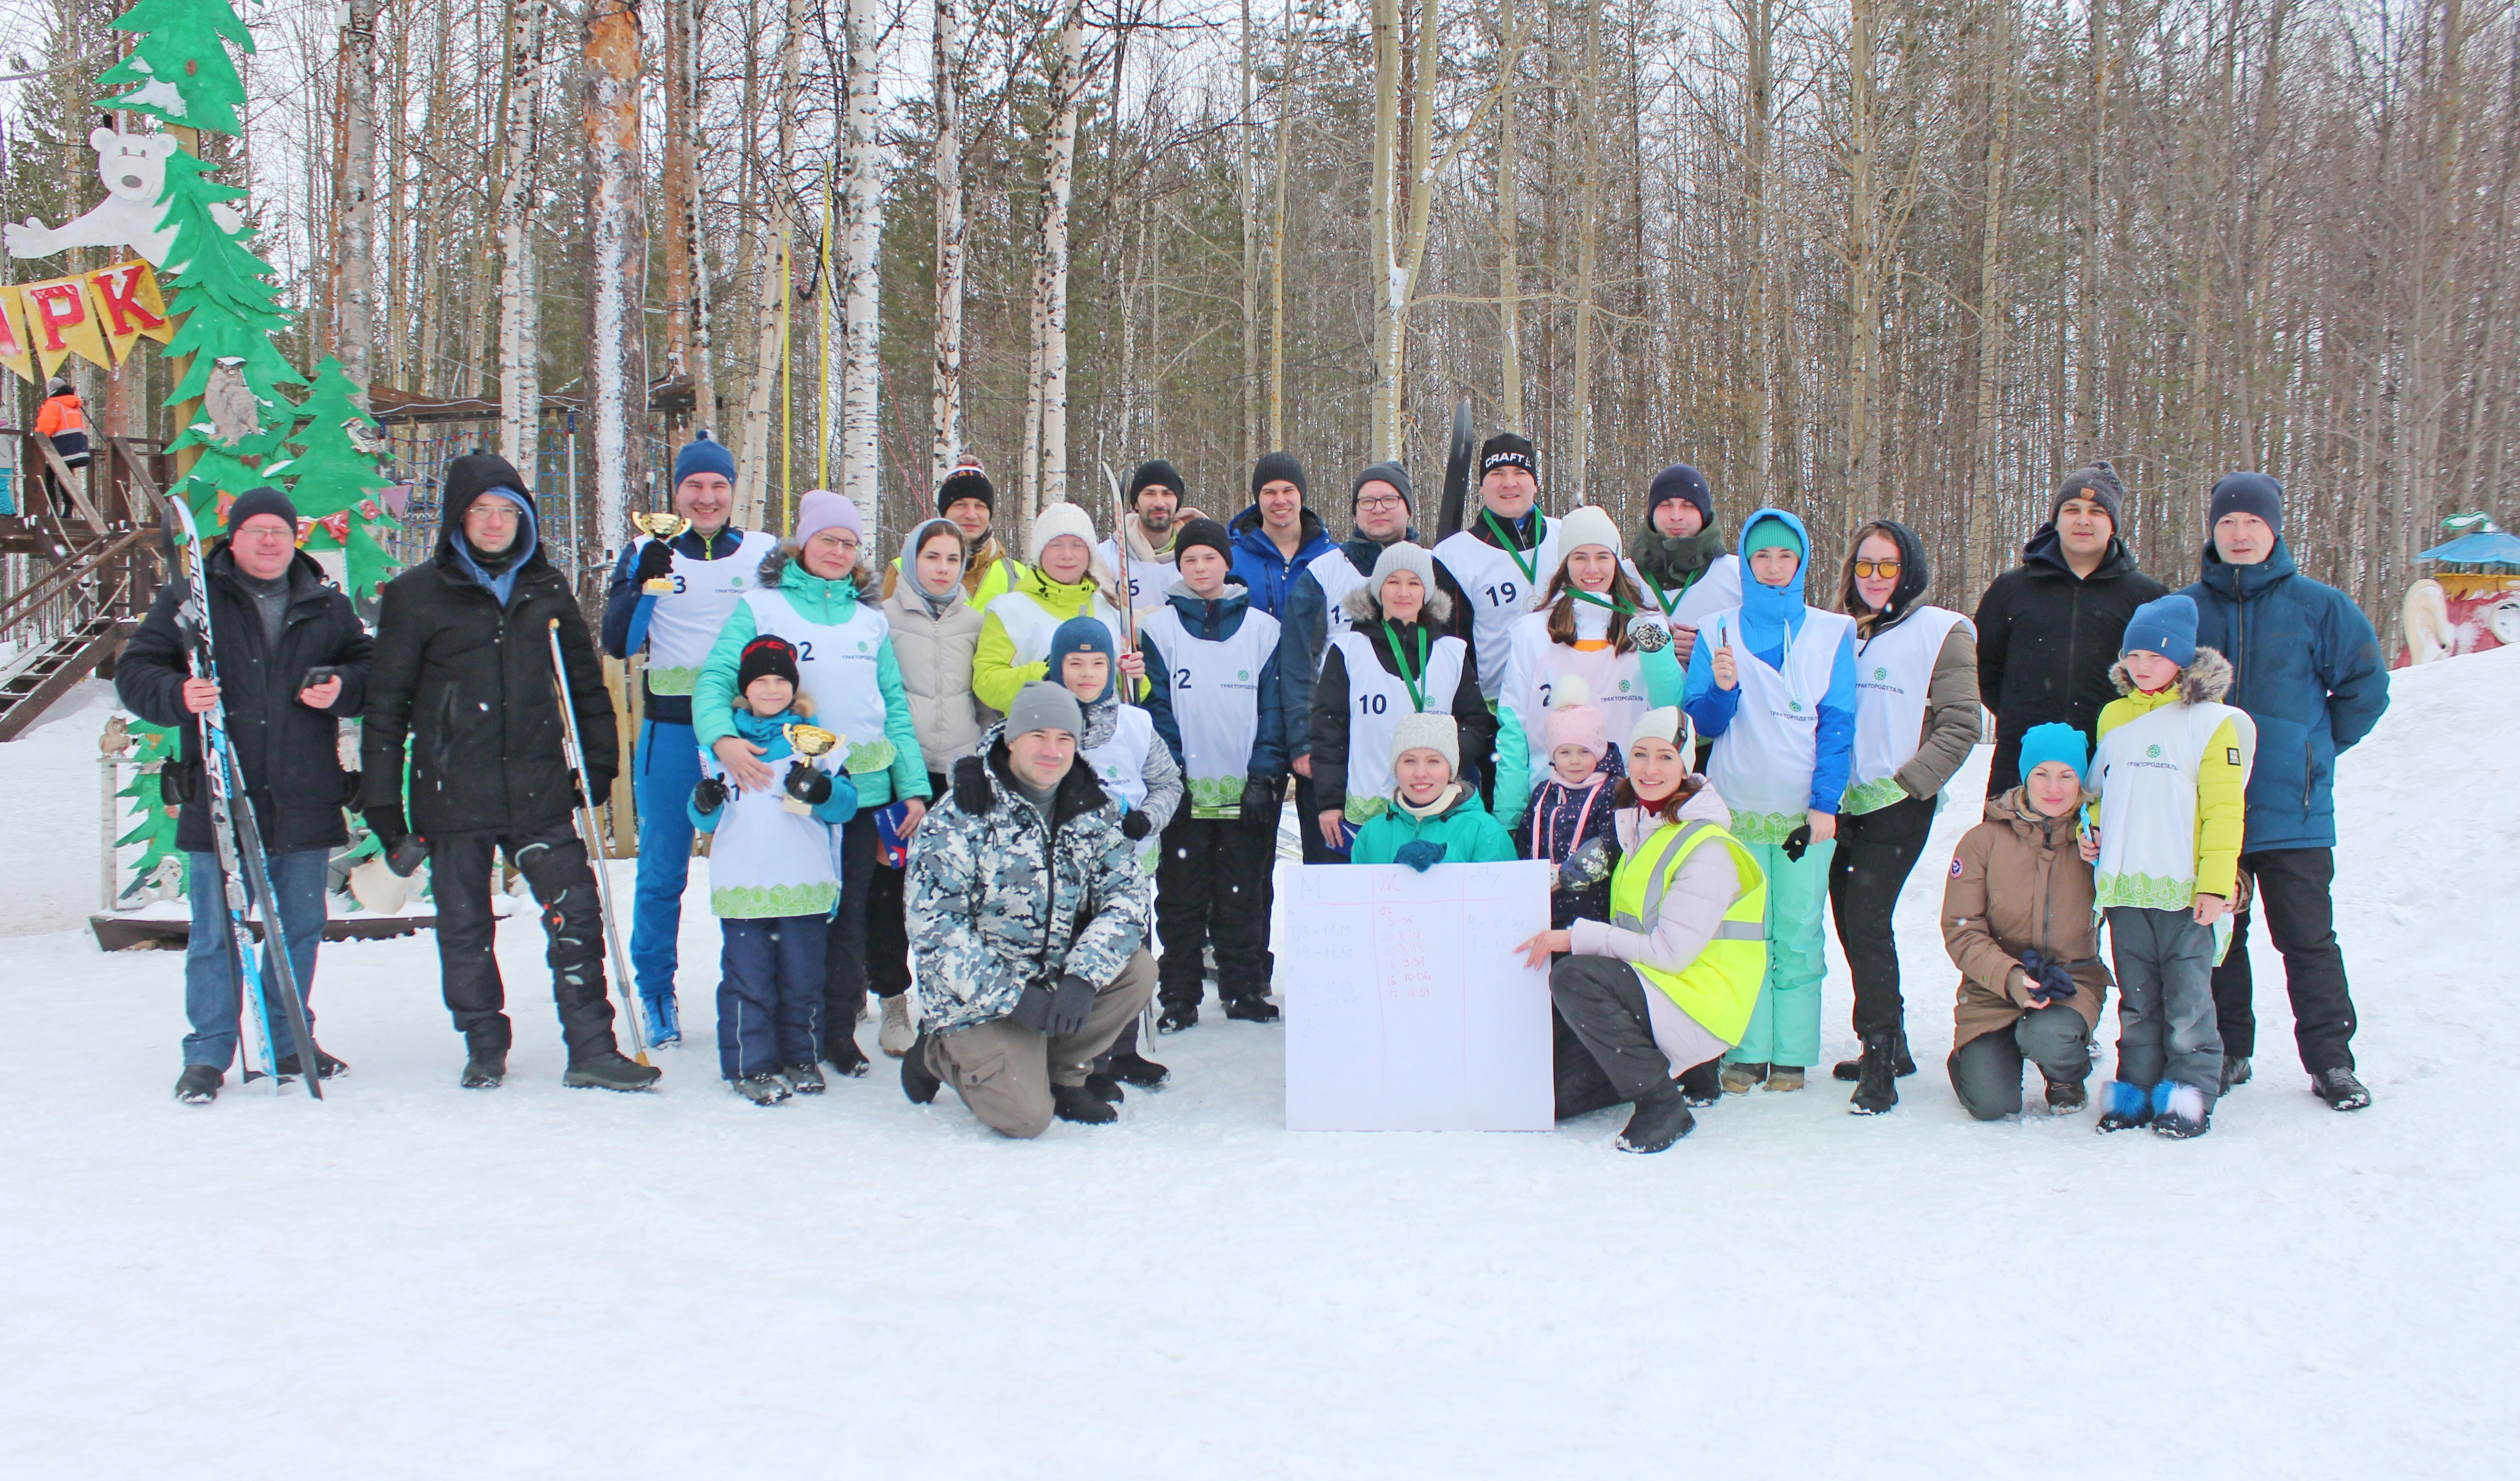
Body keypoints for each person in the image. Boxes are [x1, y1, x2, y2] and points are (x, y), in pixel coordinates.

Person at [361, 454, 658, 1091]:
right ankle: (484, 1041)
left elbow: (584, 686)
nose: (495, 524)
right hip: (450, 787)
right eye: (482, 512)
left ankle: (592, 1046)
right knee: (464, 925)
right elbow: (385, 706)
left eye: (508, 512)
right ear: (457, 520)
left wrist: (599, 764)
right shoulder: (416, 595)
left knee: (575, 914)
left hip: (536, 785)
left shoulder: (544, 589)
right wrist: (384, 806)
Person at [117, 486, 373, 1104]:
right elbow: (136, 673)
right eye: (255, 530)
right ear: (233, 537)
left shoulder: (326, 605)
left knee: (301, 927)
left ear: (295, 540)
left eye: (279, 532)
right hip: (219, 794)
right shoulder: (191, 602)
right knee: (215, 933)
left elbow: (373, 671)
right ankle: (207, 1055)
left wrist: (341, 686)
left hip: (305, 796)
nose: (267, 542)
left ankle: (289, 1043)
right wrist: (178, 694)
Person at [691, 490, 931, 1078]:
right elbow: (717, 677)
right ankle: (778, 1030)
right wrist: (722, 740)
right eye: (828, 540)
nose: (838, 552)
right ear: (802, 542)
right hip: (779, 785)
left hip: (857, 788)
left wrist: (913, 786)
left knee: (847, 915)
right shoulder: (764, 606)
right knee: (793, 916)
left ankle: (836, 1029)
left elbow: (892, 704)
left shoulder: (870, 619)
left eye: (849, 544)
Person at [2182, 473, 2388, 1112]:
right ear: (2212, 532)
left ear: (2273, 530)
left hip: (2292, 811)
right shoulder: (2186, 610)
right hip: (2211, 813)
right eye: (2227, 523)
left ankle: (2331, 1061)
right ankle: (2230, 1050)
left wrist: (2312, 749)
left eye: (2252, 523)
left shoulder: (2319, 607)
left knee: (2307, 939)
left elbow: (2365, 688)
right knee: (2219, 938)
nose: (2239, 534)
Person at [899, 684, 1160, 1136]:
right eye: (1039, 735)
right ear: (1011, 738)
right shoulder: (960, 814)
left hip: (1056, 976)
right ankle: (938, 1049)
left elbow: (1128, 896)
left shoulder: (1091, 808)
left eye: (1065, 739)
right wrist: (1013, 996)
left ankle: (1064, 1074)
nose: (1053, 751)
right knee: (1026, 1118)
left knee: (1138, 969)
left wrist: (1082, 977)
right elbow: (936, 931)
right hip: (978, 996)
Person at [599, 431, 782, 1047]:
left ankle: (771, 985)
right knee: (661, 870)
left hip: (745, 733)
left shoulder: (761, 553)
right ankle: (655, 988)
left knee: (763, 862)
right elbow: (619, 643)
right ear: (675, 491)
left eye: (718, 486)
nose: (706, 498)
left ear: (733, 491)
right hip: (673, 731)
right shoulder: (646, 548)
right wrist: (644, 585)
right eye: (694, 486)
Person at [1515, 707, 1767, 1154]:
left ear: (1687, 765)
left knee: (1574, 973)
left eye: (1666, 757)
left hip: (1698, 1003)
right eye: (1640, 754)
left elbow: (1671, 953)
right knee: (1548, 1098)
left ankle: (1661, 1103)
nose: (1650, 769)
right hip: (1661, 992)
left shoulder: (1705, 844)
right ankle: (1683, 1070)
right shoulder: (1644, 825)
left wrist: (1574, 936)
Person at [1683, 508, 1858, 1094]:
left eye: (1786, 556)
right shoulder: (1717, 631)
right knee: (1740, 931)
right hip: (1735, 811)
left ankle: (1792, 1053)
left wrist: (1825, 804)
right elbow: (1700, 725)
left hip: (1800, 816)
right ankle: (1747, 1048)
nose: (1774, 567)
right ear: (1746, 562)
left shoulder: (1832, 632)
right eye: (1762, 556)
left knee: (1798, 930)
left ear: (1803, 562)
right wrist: (1723, 688)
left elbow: (1837, 724)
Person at [2084, 594, 2255, 1140]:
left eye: (2154, 656)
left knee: (2186, 1002)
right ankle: (2134, 1088)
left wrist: (2214, 884)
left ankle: (2188, 1092)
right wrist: (2092, 830)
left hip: (2184, 891)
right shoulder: (2113, 715)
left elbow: (2225, 811)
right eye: (2133, 654)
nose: (2141, 666)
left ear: (2180, 660)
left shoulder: (2211, 722)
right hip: (2127, 885)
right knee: (2137, 999)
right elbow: (2102, 792)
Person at [1826, 519, 1981, 1113]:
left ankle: (1881, 1056)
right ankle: (1894, 1043)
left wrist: (1911, 785)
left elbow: (1961, 722)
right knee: (1848, 919)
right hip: (1843, 804)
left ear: (1908, 570)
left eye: (1886, 566)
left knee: (1866, 918)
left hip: (1897, 804)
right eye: (1864, 565)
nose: (1873, 577)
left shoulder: (1942, 631)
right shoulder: (1843, 631)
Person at [687, 635, 861, 1104]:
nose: (771, 689)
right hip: (745, 882)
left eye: (780, 680)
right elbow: (705, 816)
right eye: (760, 681)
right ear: (745, 691)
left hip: (802, 880)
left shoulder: (816, 743)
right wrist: (703, 802)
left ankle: (801, 1055)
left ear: (794, 687)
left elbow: (846, 807)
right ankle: (750, 1063)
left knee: (803, 977)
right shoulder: (725, 748)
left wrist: (822, 791)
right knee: (749, 978)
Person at [1276, 462, 1474, 861]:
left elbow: (1460, 672)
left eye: (1390, 499)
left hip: (1428, 775)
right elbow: (1298, 660)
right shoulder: (1325, 571)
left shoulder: (1437, 569)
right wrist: (1303, 740)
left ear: (1409, 509)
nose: (1378, 508)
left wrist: (1454, 755)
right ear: (1354, 512)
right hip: (1346, 753)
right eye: (1367, 501)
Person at [1140, 517, 1288, 1033]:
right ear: (1178, 567)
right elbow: (1156, 706)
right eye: (1189, 560)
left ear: (1227, 563)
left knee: (1242, 892)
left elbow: (1273, 710)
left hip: (1244, 786)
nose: (1200, 568)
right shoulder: (1157, 629)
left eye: (1209, 558)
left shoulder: (1263, 630)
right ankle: (1178, 994)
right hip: (1184, 789)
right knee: (1180, 895)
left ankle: (1243, 987)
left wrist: (1264, 775)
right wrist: (1172, 775)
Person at [864, 516, 998, 1059]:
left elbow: (987, 703)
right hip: (902, 770)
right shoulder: (881, 620)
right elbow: (876, 699)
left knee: (954, 892)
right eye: (932, 557)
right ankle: (893, 997)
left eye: (952, 559)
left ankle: (952, 995)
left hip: (959, 773)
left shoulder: (977, 622)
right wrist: (896, 772)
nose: (942, 568)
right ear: (910, 560)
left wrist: (985, 763)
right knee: (888, 891)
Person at [1941, 723, 2112, 1120]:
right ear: (2025, 776)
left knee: (2047, 1035)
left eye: (2067, 775)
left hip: (2071, 981)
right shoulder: (1983, 840)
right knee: (1991, 1105)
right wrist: (2010, 976)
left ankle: (2066, 1075)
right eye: (2042, 774)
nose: (2055, 787)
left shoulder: (2098, 842)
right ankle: (1973, 1059)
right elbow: (1962, 928)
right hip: (1993, 989)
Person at [1974, 461, 2169, 795]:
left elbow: (2162, 680)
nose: (2083, 520)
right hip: (2022, 759)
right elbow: (1983, 668)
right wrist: (2019, 713)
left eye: (2097, 511)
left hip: (2110, 761)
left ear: (2113, 525)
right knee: (2012, 846)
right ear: (2057, 519)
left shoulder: (2146, 597)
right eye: (2072, 509)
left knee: (2099, 848)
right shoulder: (2011, 589)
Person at [1490, 504, 1687, 826]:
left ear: (1617, 562)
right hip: (1554, 805)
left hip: (1631, 800)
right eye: (1580, 557)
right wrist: (1510, 815)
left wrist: (1657, 653)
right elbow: (1514, 730)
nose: (1592, 569)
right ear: (1565, 564)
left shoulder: (1648, 626)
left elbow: (1670, 709)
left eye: (1603, 557)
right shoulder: (1533, 632)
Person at [1308, 542, 1495, 857]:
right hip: (1368, 810)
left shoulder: (1452, 652)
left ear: (1427, 592)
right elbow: (1330, 731)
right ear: (1378, 590)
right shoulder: (1349, 651)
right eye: (1393, 582)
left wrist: (1443, 761)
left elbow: (1476, 720)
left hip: (1436, 808)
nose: (1403, 592)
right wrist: (1329, 802)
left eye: (1414, 583)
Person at [971, 501, 1136, 715]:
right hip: (1040, 736)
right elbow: (987, 683)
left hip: (1105, 739)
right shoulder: (1008, 611)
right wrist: (1050, 674)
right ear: (1040, 552)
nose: (1067, 555)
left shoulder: (1112, 610)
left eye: (1077, 545)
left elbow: (1130, 689)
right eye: (1056, 544)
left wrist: (1134, 677)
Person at [1433, 433, 1562, 700]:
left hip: (1570, 703)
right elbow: (1452, 650)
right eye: (1498, 473)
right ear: (1482, 486)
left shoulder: (1569, 538)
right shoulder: (1453, 555)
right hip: (1495, 713)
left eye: (1520, 473)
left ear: (1535, 483)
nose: (1509, 483)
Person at [1348, 712, 1517, 867]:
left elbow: (1500, 896)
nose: (1420, 773)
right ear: (1395, 768)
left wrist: (1445, 860)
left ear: (1451, 770)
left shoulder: (1485, 832)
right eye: (1409, 761)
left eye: (1433, 761)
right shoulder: (1371, 834)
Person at [1510, 703, 1621, 931]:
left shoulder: (1612, 790)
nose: (1574, 761)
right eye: (1565, 752)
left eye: (1584, 752)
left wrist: (1571, 875)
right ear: (1553, 756)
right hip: (1543, 901)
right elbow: (1526, 837)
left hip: (1592, 904)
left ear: (1599, 752)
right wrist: (1525, 875)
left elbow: (1612, 843)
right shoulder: (1544, 791)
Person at [1621, 463, 1740, 668]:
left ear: (1704, 512)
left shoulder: (1737, 574)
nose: (1676, 515)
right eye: (1666, 504)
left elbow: (1760, 653)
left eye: (1688, 505)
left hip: (1714, 699)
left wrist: (1704, 650)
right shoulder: (1623, 576)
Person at [1227, 451, 1335, 617]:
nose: (1280, 500)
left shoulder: (1331, 557)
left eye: (1288, 490)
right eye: (1270, 492)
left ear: (1301, 496)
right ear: (1258, 498)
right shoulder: (1231, 560)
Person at [906, 459, 1024, 609]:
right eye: (961, 505)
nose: (971, 515)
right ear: (944, 512)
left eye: (980, 506)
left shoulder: (1017, 574)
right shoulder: (905, 568)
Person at [1098, 458, 1203, 610]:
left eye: (1167, 494)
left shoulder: (1200, 556)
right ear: (1136, 503)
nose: (1159, 503)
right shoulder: (1108, 555)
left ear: (1177, 502)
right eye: (1150, 494)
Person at [36, 374, 91, 470]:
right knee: (66, 478)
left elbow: (45, 428)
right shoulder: (74, 405)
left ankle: (50, 485)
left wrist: (37, 438)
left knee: (48, 474)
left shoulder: (53, 405)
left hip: (62, 449)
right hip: (79, 448)